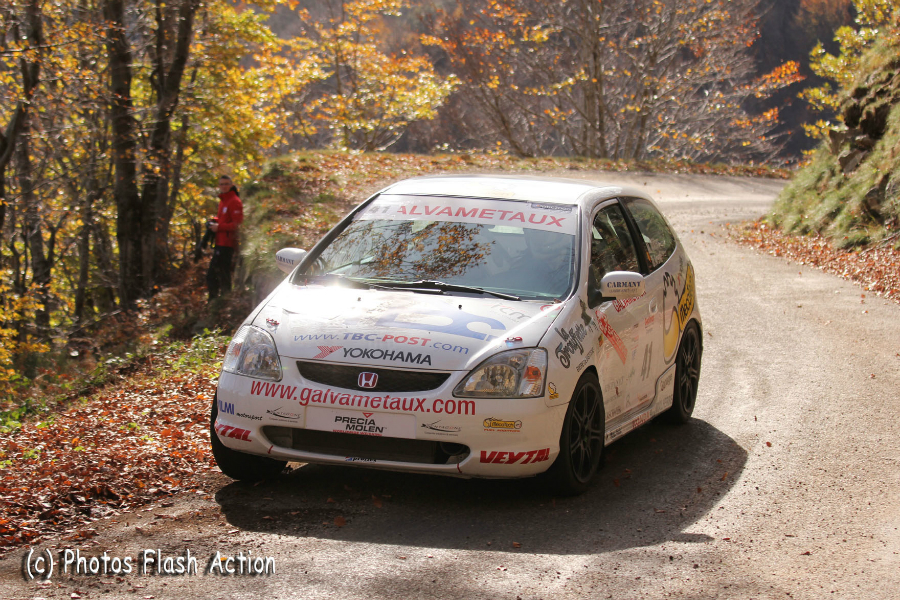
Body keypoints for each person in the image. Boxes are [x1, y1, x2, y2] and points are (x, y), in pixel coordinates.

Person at [206, 174, 243, 300]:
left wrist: (219, 227)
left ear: (231, 185)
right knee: (219, 272)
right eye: (221, 184)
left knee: (217, 273)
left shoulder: (234, 201)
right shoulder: (224, 200)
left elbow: (237, 224)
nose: (224, 186)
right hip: (220, 241)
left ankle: (219, 300)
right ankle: (220, 300)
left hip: (227, 243)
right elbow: (224, 219)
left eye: (226, 184)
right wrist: (214, 221)